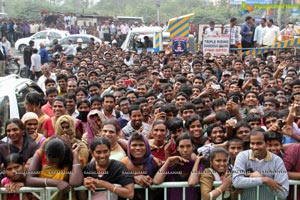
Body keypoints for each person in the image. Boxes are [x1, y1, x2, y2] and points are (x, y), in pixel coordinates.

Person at [232, 127, 289, 199]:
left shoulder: (277, 161)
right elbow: (237, 181)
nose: (255, 147)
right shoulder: (242, 156)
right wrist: (265, 180)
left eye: (259, 143)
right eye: (252, 143)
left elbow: (283, 193)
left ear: (267, 144)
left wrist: (261, 178)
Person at [153, 133, 200, 200]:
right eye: (181, 146)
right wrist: (168, 161)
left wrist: (197, 161)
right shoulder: (172, 164)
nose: (185, 150)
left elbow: (192, 182)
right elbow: (156, 181)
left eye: (188, 146)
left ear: (193, 147)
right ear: (177, 148)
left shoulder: (198, 164)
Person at [121, 132, 162, 200]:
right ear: (128, 147)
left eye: (141, 145)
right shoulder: (123, 162)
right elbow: (115, 177)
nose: (137, 148)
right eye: (134, 145)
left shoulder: (155, 162)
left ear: (147, 147)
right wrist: (133, 178)